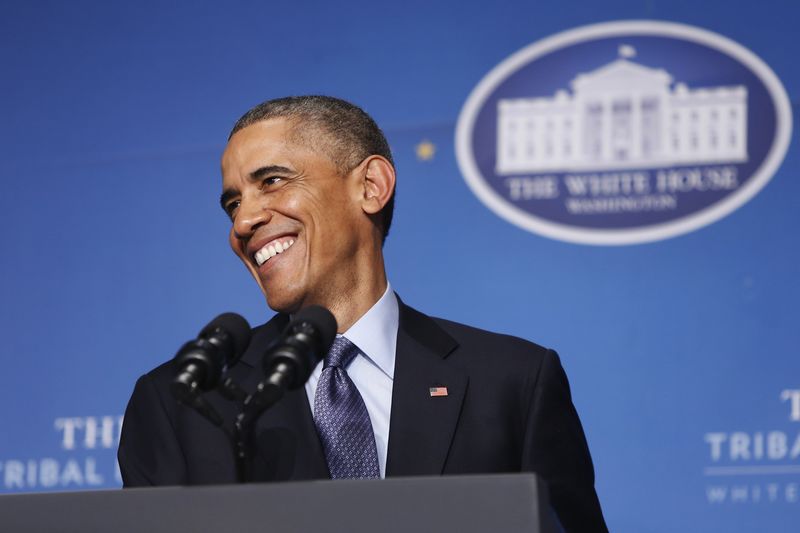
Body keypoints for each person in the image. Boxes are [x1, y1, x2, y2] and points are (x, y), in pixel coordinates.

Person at [118, 95, 608, 532]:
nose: (243, 222)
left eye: (272, 181)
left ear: (371, 185)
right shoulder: (181, 402)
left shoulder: (511, 381)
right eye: (233, 204)